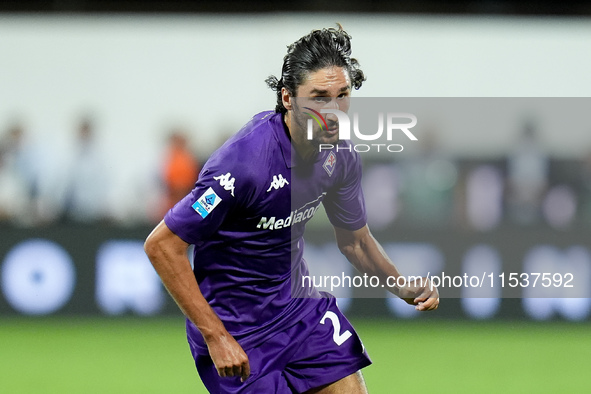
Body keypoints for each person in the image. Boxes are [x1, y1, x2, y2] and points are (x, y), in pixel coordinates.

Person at [144, 25, 439, 393]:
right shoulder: (243, 165)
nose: (333, 111)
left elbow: (355, 241)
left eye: (342, 95)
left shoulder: (340, 154)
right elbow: (162, 245)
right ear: (288, 98)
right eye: (319, 96)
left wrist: (400, 285)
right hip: (237, 328)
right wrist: (215, 336)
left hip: (298, 311)